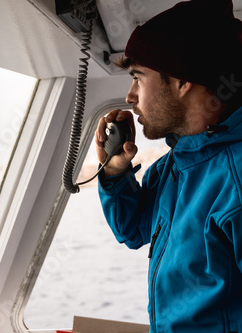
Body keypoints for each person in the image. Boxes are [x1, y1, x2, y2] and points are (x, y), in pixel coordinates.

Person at [95, 0, 242, 332]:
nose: (130, 97)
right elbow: (132, 230)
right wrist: (115, 171)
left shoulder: (236, 176)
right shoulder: (176, 165)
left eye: (138, 79)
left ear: (181, 81)